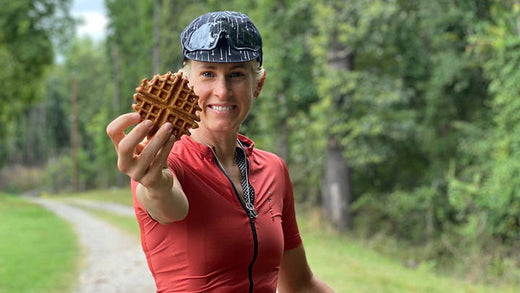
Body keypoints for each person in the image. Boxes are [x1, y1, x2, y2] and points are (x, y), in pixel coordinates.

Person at [106, 11, 335, 293]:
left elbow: (300, 284)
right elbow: (168, 204)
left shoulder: (274, 168)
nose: (222, 91)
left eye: (236, 74)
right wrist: (155, 184)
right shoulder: (162, 164)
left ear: (258, 84)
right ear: (185, 84)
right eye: (208, 74)